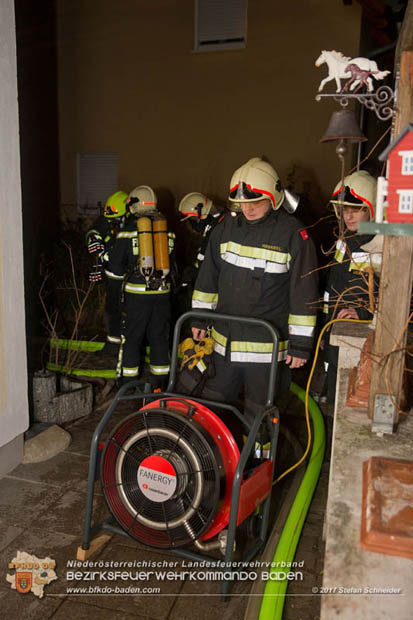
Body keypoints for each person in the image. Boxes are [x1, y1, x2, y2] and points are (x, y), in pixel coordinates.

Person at [191, 157, 319, 429]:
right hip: (224, 344)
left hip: (265, 352)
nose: (247, 208)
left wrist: (300, 345)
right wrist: (200, 318)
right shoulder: (225, 228)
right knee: (212, 408)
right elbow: (208, 276)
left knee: (260, 418)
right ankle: (209, 461)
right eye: (242, 203)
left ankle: (259, 466)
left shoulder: (293, 234)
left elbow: (304, 292)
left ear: (273, 197)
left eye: (255, 202)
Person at [322, 170, 381, 404]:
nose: (348, 216)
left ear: (372, 209)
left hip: (365, 341)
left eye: (355, 209)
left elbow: (398, 298)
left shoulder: (385, 246)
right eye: (345, 210)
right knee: (334, 399)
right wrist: (327, 328)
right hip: (336, 332)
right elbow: (332, 287)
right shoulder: (343, 241)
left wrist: (363, 314)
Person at [108, 185, 175, 387]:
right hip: (162, 293)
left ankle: (128, 383)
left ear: (134, 205)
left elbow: (116, 266)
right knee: (159, 338)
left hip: (136, 295)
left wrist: (114, 291)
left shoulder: (128, 231)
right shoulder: (166, 230)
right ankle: (161, 381)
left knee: (132, 338)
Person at [85, 190, 130, 354]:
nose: (111, 224)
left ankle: (130, 347)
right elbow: (95, 229)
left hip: (132, 279)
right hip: (113, 277)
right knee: (112, 310)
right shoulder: (108, 219)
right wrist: (92, 238)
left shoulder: (135, 225)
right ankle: (113, 344)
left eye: (115, 220)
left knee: (131, 313)